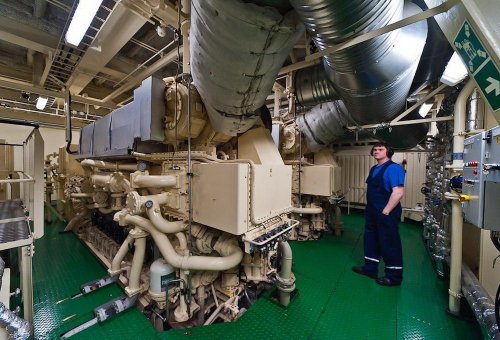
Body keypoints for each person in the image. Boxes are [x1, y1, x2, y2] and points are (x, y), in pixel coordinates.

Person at [352, 142, 405, 286]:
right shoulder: (374, 168)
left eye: (380, 149)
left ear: (388, 151)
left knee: (389, 242)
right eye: (374, 149)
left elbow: (398, 192)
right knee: (371, 239)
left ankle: (393, 276)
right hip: (372, 211)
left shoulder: (394, 168)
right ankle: (370, 268)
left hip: (386, 211)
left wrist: (386, 211)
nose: (376, 151)